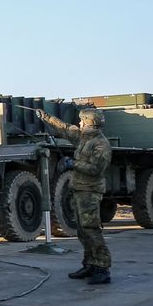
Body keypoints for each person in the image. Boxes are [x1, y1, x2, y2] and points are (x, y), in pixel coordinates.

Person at [37, 108, 113, 284]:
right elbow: (65, 128)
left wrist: (73, 163)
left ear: (88, 122)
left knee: (91, 230)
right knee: (82, 230)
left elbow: (96, 169)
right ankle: (90, 264)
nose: (79, 123)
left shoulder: (100, 144)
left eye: (81, 121)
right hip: (79, 189)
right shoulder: (83, 137)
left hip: (90, 191)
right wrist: (46, 117)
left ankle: (102, 267)